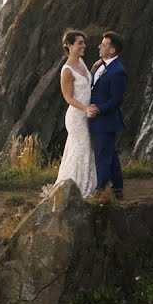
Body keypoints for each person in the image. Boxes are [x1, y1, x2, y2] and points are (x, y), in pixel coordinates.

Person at [51, 30, 97, 195]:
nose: (83, 46)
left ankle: (86, 185)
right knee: (81, 148)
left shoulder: (82, 63)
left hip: (87, 114)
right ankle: (77, 189)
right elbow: (68, 97)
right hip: (77, 116)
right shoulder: (67, 70)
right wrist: (85, 108)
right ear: (69, 46)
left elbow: (85, 82)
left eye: (84, 43)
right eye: (79, 43)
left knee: (85, 148)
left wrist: (97, 66)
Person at [86, 31, 127, 198]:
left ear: (112, 50)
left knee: (103, 155)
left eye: (103, 45)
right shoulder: (101, 66)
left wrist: (99, 109)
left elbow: (116, 100)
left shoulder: (118, 71)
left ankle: (101, 190)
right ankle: (117, 189)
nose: (99, 47)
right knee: (111, 155)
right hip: (99, 120)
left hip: (105, 120)